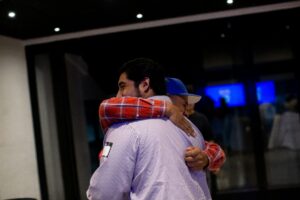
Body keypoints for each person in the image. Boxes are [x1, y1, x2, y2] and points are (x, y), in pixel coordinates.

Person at [87, 58, 213, 199]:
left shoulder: (124, 129)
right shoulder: (191, 129)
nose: (118, 95)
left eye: (123, 86)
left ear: (145, 85)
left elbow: (105, 191)